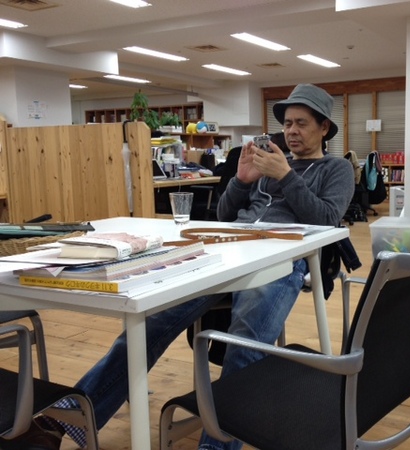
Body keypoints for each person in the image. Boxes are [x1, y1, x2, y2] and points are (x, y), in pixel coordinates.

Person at [1, 83, 354, 450]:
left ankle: (215, 446)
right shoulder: (268, 163)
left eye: (301, 123)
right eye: (288, 123)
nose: (292, 131)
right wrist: (240, 181)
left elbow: (327, 219)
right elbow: (223, 216)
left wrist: (286, 176)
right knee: (147, 326)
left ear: (324, 127)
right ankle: (59, 422)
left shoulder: (336, 168)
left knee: (243, 342)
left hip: (281, 259)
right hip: (228, 251)